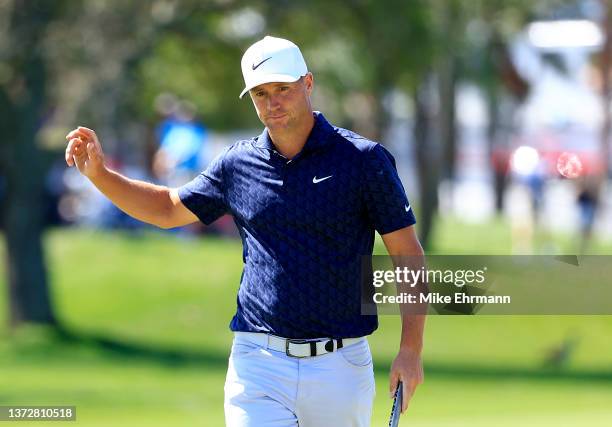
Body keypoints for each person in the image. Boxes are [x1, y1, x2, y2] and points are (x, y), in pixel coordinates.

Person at [65, 35, 425, 427]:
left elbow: (407, 254)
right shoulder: (238, 164)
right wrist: (100, 175)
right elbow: (167, 209)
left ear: (307, 84)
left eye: (283, 89)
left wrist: (410, 350)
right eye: (260, 93)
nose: (272, 103)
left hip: (340, 365)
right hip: (258, 363)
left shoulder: (363, 160)